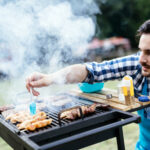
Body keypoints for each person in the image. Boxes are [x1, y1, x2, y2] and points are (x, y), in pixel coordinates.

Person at [26, 20, 150, 150]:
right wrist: (50, 78)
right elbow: (92, 70)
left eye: (149, 52)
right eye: (141, 51)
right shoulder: (137, 64)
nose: (141, 59)